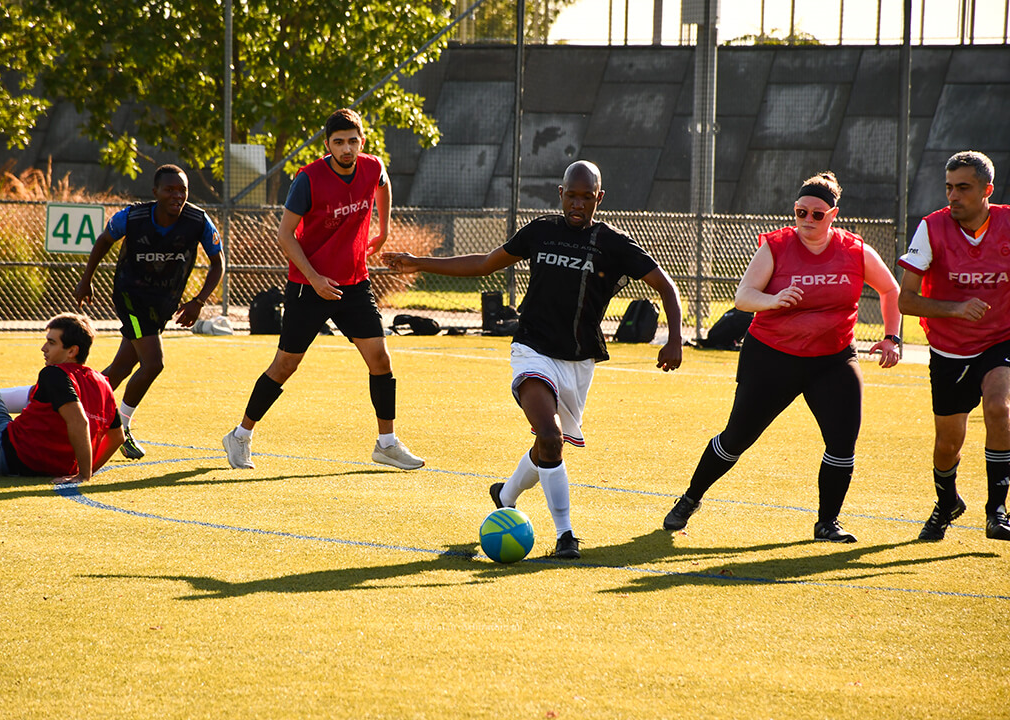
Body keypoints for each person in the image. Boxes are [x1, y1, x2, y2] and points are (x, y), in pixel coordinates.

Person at [383, 160, 684, 559]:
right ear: (560, 194)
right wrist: (419, 263)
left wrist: (675, 338)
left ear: (600, 198)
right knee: (550, 436)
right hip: (532, 350)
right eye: (571, 196)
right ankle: (566, 536)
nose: (578, 205)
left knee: (549, 444)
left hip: (578, 362)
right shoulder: (541, 231)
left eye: (587, 197)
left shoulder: (613, 244)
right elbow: (484, 264)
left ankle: (505, 494)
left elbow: (666, 286)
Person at [663, 172, 902, 543]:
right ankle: (690, 498)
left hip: (833, 358)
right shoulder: (776, 246)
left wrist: (891, 338)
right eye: (800, 212)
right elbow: (744, 296)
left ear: (833, 215)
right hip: (773, 357)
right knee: (736, 438)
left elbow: (890, 290)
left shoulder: (855, 250)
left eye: (817, 214)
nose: (807, 220)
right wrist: (773, 301)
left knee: (842, 442)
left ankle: (827, 523)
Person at [221, 108, 423, 472]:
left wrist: (385, 228)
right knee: (285, 365)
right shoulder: (308, 180)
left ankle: (387, 443)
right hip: (307, 286)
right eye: (338, 142)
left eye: (353, 141)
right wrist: (314, 278)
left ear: (362, 141)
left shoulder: (372, 166)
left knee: (380, 360)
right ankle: (240, 435)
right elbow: (285, 236)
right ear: (327, 144)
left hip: (354, 283)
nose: (347, 148)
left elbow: (384, 182)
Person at [74, 164, 224, 460]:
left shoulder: (198, 220)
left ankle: (72, 403)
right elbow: (104, 241)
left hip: (163, 302)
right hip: (131, 297)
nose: (177, 195)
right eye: (169, 189)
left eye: (182, 190)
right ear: (155, 192)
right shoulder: (131, 217)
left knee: (121, 368)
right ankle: (121, 426)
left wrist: (199, 301)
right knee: (154, 363)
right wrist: (86, 279)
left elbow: (218, 262)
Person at [898, 150, 1010, 542]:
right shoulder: (931, 228)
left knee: (1000, 407)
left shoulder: (1008, 223)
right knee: (948, 444)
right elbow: (905, 301)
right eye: (949, 187)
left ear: (987, 191)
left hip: (1000, 341)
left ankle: (997, 509)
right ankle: (946, 503)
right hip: (949, 350)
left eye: (963, 188)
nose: (953, 196)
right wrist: (957, 309)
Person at [0, 313, 124, 483]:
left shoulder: (54, 373)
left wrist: (83, 474)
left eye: (51, 342)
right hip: (49, 465)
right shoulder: (102, 382)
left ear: (72, 351)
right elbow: (117, 437)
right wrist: (84, 468)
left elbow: (79, 421)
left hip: (5, 454)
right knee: (38, 394)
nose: (43, 348)